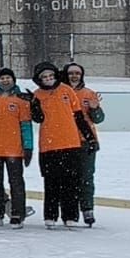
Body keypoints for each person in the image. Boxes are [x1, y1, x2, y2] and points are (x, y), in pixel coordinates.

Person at [29, 62, 88, 229]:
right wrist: (34, 106)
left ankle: (70, 215)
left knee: (71, 182)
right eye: (44, 77)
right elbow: (38, 118)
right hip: (48, 145)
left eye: (50, 76)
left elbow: (78, 116)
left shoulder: (66, 90)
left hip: (70, 143)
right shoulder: (37, 95)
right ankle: (50, 215)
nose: (48, 79)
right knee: (51, 182)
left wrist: (90, 138)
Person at [0, 68, 33, 227]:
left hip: (14, 149)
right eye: (2, 78)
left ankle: (17, 213)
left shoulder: (21, 100)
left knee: (16, 182)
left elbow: (26, 125)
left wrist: (28, 147)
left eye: (8, 78)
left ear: (13, 80)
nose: (5, 80)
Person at [62, 62, 104, 226]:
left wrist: (95, 109)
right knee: (67, 178)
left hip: (85, 141)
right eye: (71, 73)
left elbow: (99, 119)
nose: (74, 76)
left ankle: (87, 209)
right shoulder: (60, 93)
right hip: (65, 141)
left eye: (77, 73)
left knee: (86, 177)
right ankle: (69, 212)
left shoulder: (89, 94)